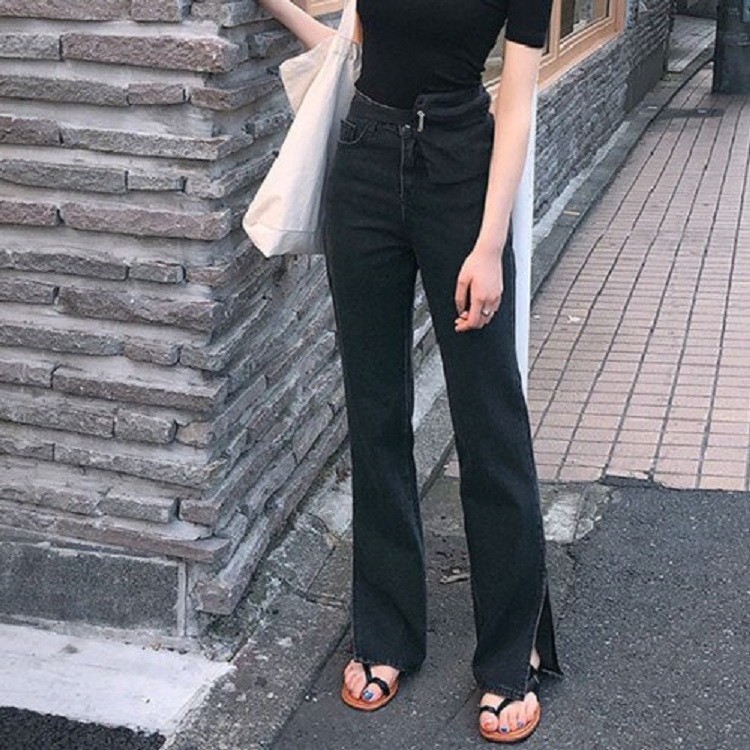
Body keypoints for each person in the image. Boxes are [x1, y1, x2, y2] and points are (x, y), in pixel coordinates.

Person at [258, 0, 564, 743]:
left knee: (489, 420)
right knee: (375, 414)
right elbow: (355, 45)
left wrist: (489, 245)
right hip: (363, 164)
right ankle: (387, 632)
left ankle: (512, 650)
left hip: (460, 171)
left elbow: (516, 100)